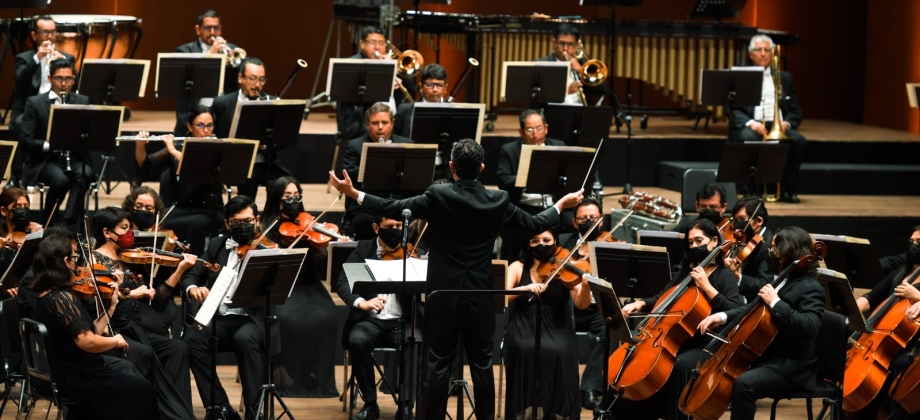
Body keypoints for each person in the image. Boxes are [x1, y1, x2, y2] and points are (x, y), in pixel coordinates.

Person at [329, 138, 584, 420]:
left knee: (438, 367)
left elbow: (393, 206)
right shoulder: (497, 200)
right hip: (480, 298)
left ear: (451, 167)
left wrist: (353, 193)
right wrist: (561, 204)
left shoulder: (438, 196)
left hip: (443, 297)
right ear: (482, 167)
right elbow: (535, 223)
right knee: (483, 367)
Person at [615, 219, 743, 420]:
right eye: (690, 242)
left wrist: (707, 287)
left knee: (679, 365)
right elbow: (663, 297)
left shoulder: (724, 275)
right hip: (675, 338)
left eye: (699, 240)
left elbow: (735, 310)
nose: (694, 246)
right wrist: (640, 303)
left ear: (714, 241)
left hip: (704, 342)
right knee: (633, 358)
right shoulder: (685, 272)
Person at [698, 226, 825, 420]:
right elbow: (755, 308)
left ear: (788, 250)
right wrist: (722, 316)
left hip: (793, 367)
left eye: (775, 248)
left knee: (744, 384)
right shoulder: (784, 279)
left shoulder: (811, 287)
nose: (772, 253)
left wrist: (776, 302)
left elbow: (810, 327)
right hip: (770, 356)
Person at [32, 233, 158, 420]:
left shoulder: (47, 295)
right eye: (75, 258)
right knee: (143, 389)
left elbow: (89, 332)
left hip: (65, 371)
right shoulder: (62, 298)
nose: (78, 265)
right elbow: (87, 342)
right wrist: (114, 341)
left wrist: (112, 306)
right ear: (65, 261)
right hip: (78, 377)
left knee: (127, 369)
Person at [90, 207, 197, 420]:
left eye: (130, 227)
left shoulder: (130, 258)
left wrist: (180, 270)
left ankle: (178, 412)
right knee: (143, 353)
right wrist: (129, 295)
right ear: (106, 232)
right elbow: (97, 301)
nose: (131, 233)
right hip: (113, 331)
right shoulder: (94, 261)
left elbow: (158, 302)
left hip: (135, 328)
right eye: (124, 228)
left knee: (178, 347)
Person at [181, 195, 280, 420]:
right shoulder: (216, 245)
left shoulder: (266, 249)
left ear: (257, 220)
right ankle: (220, 407)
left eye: (248, 220)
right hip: (221, 318)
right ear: (227, 224)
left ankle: (255, 411)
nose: (244, 226)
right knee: (191, 341)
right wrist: (192, 288)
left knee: (244, 340)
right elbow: (193, 274)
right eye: (237, 222)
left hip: (251, 319)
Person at [260, 176, 340, 397]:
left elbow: (322, 268)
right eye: (287, 197)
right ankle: (289, 376)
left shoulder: (309, 226)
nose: (293, 201)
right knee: (287, 320)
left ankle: (314, 376)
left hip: (309, 285)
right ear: (277, 200)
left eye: (297, 196)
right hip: (281, 288)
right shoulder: (267, 227)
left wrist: (330, 247)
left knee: (328, 316)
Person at [336, 215, 417, 420]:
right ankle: (370, 404)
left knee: (414, 341)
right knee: (357, 340)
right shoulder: (364, 250)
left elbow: (426, 291)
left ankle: (406, 405)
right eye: (390, 226)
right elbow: (344, 282)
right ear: (376, 228)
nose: (396, 230)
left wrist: (418, 270)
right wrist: (361, 302)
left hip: (402, 321)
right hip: (370, 321)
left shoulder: (412, 253)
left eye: (400, 226)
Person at [504, 229, 591, 419]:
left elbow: (581, 304)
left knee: (560, 352)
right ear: (528, 244)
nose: (541, 244)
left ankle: (556, 413)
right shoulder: (517, 267)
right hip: (524, 324)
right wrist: (524, 289)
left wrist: (585, 286)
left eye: (546, 239)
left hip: (557, 326)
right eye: (535, 240)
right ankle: (524, 413)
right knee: (525, 349)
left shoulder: (565, 269)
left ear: (555, 242)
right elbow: (502, 298)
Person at [846, 226, 920, 420]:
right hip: (882, 336)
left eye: (919, 243)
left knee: (898, 363)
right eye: (911, 242)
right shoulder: (900, 273)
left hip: (910, 344)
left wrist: (918, 296)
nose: (914, 246)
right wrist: (847, 311)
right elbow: (871, 298)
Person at [136, 106, 225, 255]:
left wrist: (173, 151)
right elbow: (146, 168)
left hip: (208, 208)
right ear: (190, 126)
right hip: (179, 207)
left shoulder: (216, 148)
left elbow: (200, 170)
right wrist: (140, 146)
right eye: (201, 125)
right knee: (160, 222)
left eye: (210, 125)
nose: (206, 130)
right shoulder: (179, 145)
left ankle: (194, 264)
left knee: (194, 225)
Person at [729, 34, 806, 204]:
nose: (763, 54)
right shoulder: (742, 76)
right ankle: (751, 190)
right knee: (747, 139)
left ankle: (787, 189)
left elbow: (795, 109)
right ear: (751, 54)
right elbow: (734, 109)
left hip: (778, 125)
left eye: (767, 50)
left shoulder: (785, 78)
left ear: (772, 54)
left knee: (798, 141)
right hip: (754, 124)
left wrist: (787, 123)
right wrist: (752, 124)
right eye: (758, 50)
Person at [20, 59, 92, 227]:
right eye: (59, 78)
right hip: (46, 159)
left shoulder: (82, 101)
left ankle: (69, 222)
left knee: (84, 175)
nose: (64, 83)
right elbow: (26, 140)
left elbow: (89, 133)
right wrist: (51, 144)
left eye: (68, 79)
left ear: (74, 80)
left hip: (74, 157)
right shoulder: (35, 103)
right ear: (50, 78)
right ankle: (49, 222)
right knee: (61, 181)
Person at [211, 56, 292, 199]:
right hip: (238, 162)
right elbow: (216, 135)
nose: (257, 84)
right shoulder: (222, 103)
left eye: (262, 79)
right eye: (253, 78)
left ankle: (272, 218)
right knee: (249, 182)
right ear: (240, 78)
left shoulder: (271, 102)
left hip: (267, 160)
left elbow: (284, 139)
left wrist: (265, 145)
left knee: (289, 185)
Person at [9, 15, 74, 188]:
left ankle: (65, 169)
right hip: (31, 109)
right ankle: (16, 175)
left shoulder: (67, 57)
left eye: (52, 31)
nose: (49, 36)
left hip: (58, 107)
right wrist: (37, 58)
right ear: (34, 35)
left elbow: (75, 86)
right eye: (44, 32)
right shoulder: (24, 58)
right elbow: (20, 81)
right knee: (17, 125)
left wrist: (63, 63)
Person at [496, 109, 566, 260]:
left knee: (571, 221)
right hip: (523, 207)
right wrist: (529, 177)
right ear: (521, 131)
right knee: (512, 229)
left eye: (539, 128)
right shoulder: (509, 150)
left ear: (546, 128)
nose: (535, 134)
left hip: (552, 206)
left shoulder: (559, 146)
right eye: (530, 129)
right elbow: (503, 179)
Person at [558, 198, 608, 409]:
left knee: (608, 332)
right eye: (583, 218)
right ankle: (561, 389)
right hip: (566, 306)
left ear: (601, 220)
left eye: (593, 218)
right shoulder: (562, 244)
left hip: (597, 309)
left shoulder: (611, 244)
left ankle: (589, 387)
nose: (588, 221)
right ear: (575, 223)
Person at [120, 186, 185, 337]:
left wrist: (174, 251)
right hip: (129, 294)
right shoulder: (122, 233)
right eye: (139, 206)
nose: (143, 210)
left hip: (158, 296)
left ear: (156, 213)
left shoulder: (165, 236)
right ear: (131, 208)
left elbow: (171, 282)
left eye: (149, 208)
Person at [342, 102, 413, 238]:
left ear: (392, 123)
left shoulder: (407, 145)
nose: (380, 127)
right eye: (375, 123)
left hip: (397, 202)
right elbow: (350, 175)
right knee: (365, 221)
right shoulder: (355, 146)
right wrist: (377, 165)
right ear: (367, 124)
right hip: (366, 205)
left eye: (385, 122)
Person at [337, 26, 418, 141]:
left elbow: (411, 90)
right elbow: (352, 96)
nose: (377, 47)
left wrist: (395, 70)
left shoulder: (391, 63)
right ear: (362, 44)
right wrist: (385, 79)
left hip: (393, 122)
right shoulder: (353, 64)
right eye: (372, 42)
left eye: (382, 43)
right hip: (363, 121)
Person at [174, 9, 241, 134]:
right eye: (207, 28)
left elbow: (239, 78)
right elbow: (187, 80)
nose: (212, 32)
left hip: (222, 109)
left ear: (220, 29)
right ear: (198, 29)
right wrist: (212, 54)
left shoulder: (230, 50)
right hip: (195, 109)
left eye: (216, 28)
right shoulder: (184, 51)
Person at [536, 23, 608, 106]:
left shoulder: (583, 64)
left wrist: (581, 71)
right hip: (551, 112)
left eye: (570, 44)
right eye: (561, 43)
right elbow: (535, 96)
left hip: (580, 112)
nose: (565, 48)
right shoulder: (542, 64)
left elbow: (603, 91)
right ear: (554, 42)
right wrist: (564, 91)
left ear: (577, 45)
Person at [723, 196, 778, 303]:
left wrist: (739, 278)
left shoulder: (770, 245)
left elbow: (765, 284)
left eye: (742, 219)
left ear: (759, 221)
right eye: (735, 220)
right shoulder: (746, 237)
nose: (737, 225)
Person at [394, 63, 449, 137]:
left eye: (439, 85)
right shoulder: (404, 110)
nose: (435, 90)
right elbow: (395, 137)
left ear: (445, 88)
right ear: (421, 87)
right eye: (430, 85)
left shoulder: (454, 111)